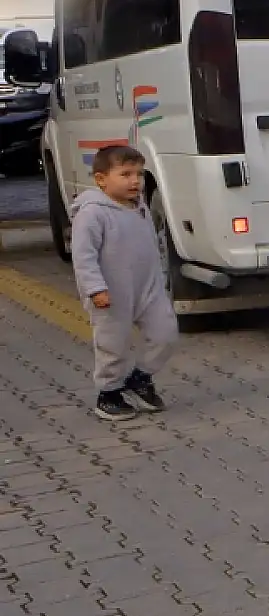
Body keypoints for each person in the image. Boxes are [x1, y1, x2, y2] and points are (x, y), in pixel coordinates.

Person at [70, 144, 178, 422]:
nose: (135, 181)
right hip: (111, 293)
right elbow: (83, 256)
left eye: (139, 174)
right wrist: (95, 289)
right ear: (101, 179)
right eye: (125, 174)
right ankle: (109, 393)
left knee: (165, 334)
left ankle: (140, 379)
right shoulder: (92, 213)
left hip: (148, 289)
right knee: (112, 344)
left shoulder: (139, 207)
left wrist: (160, 279)